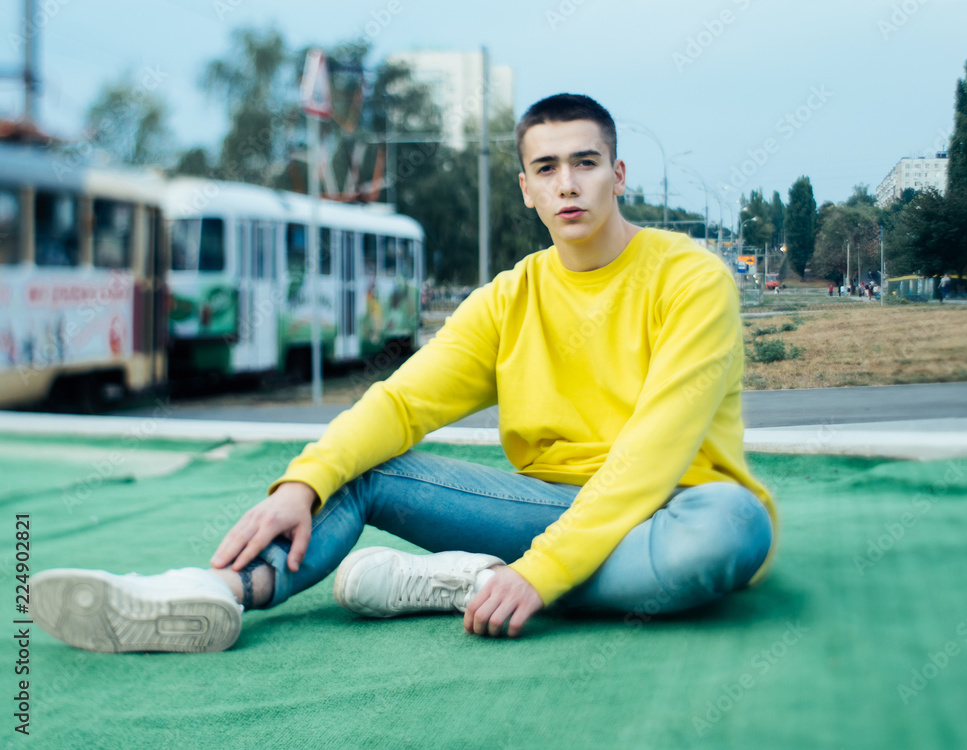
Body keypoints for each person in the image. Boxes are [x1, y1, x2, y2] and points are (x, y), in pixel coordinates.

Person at [31, 94, 777, 653]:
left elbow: (653, 452)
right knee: (361, 470)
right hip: (545, 508)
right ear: (526, 189)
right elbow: (402, 402)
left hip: (671, 508)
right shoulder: (510, 298)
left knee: (732, 532)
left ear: (617, 175)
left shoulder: (690, 278)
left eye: (585, 163)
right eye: (546, 168)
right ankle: (216, 593)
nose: (567, 184)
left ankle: (473, 581)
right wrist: (304, 480)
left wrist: (541, 573)